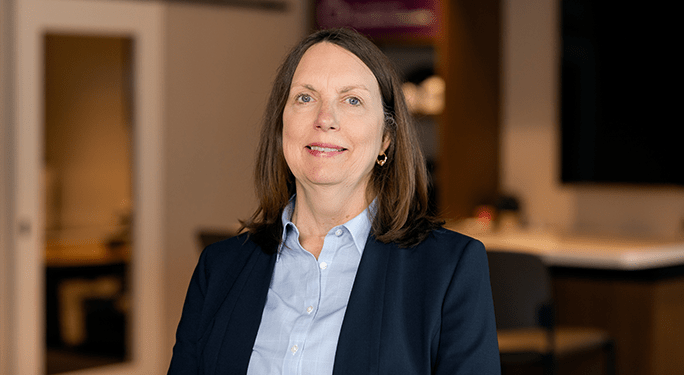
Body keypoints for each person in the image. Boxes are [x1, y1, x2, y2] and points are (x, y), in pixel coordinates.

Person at [167, 28, 501, 374]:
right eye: (305, 98)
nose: (325, 119)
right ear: (282, 126)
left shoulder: (448, 269)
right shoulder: (218, 269)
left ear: (386, 138)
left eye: (352, 100)